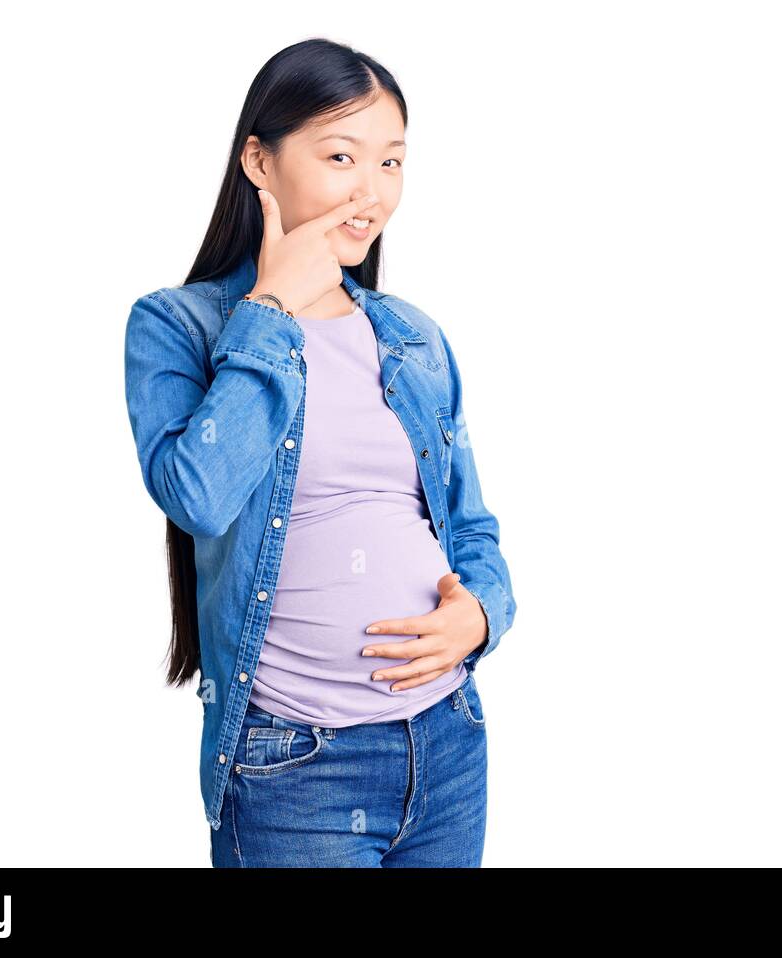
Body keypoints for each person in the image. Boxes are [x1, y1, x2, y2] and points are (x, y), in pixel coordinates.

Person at [122, 38, 516, 867]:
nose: (370, 193)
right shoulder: (177, 326)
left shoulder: (413, 338)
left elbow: (470, 526)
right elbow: (196, 493)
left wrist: (480, 616)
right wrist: (271, 307)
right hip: (295, 770)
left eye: (392, 163)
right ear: (259, 160)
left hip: (446, 747)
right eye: (341, 157)